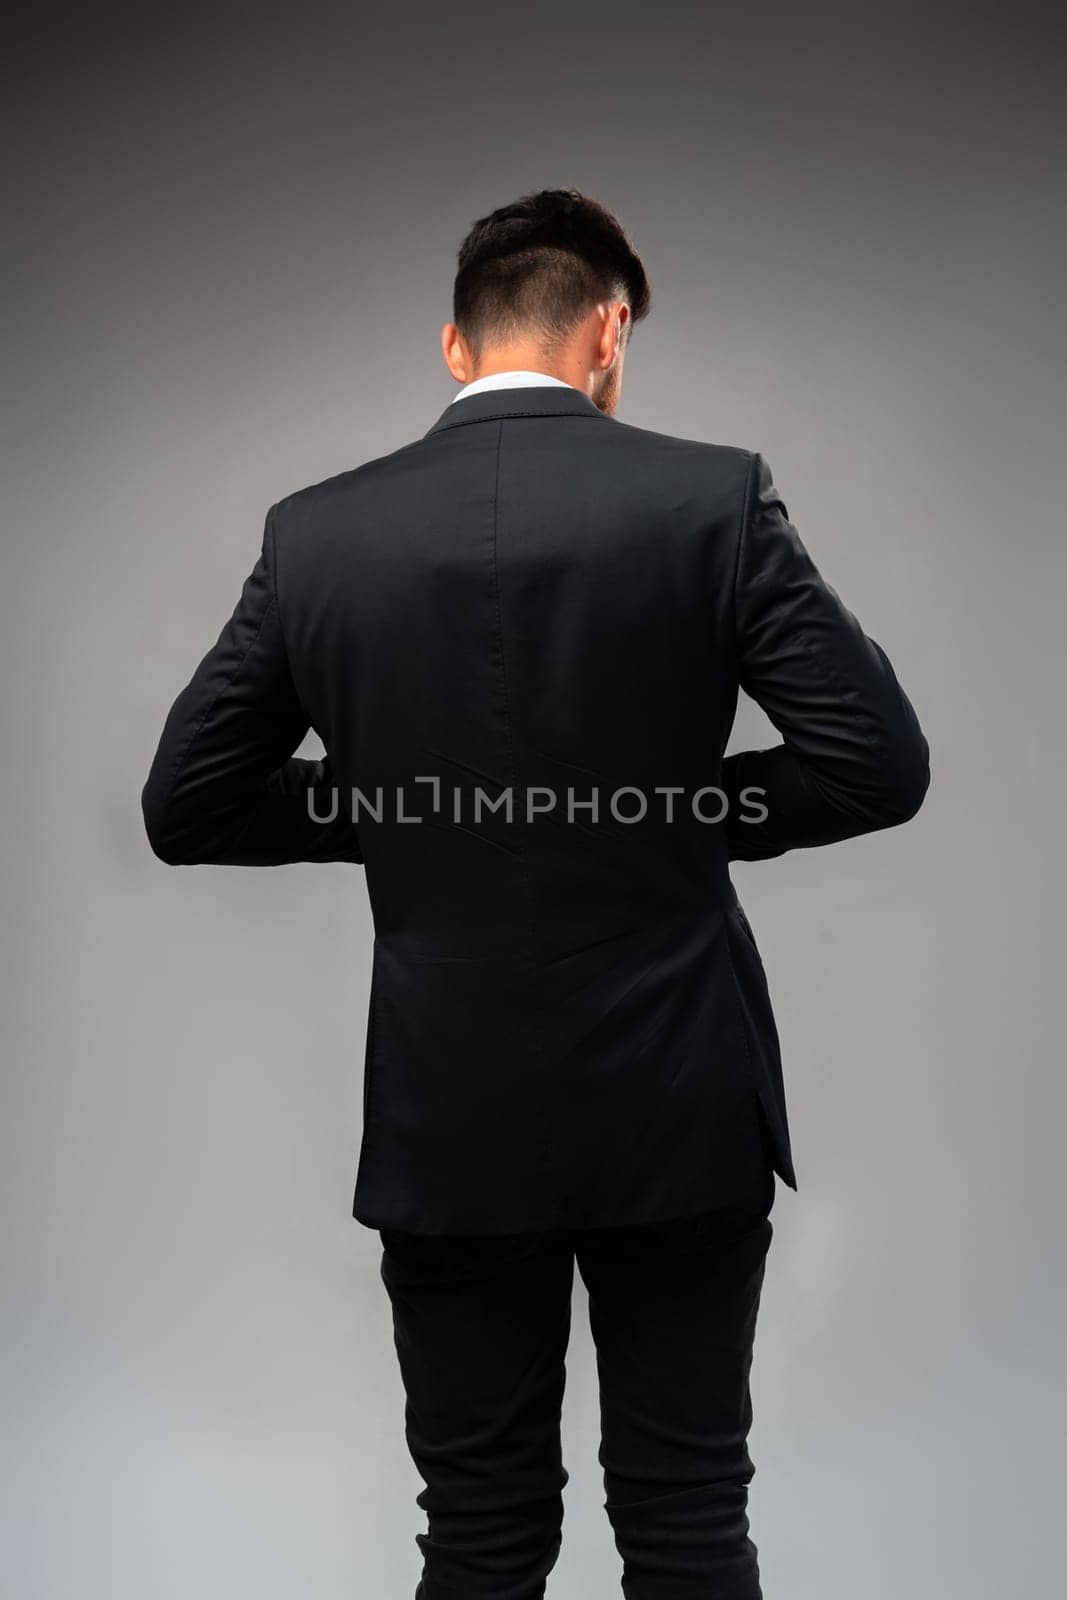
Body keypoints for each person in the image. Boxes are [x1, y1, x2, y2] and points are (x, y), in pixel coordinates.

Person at [142, 188, 929, 1599]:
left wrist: (419, 817)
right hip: (679, 1103)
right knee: (688, 1515)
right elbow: (876, 765)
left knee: (482, 1528)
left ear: (456, 345)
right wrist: (673, 815)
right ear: (610, 328)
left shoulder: (318, 535)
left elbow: (186, 806)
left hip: (451, 1121)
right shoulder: (709, 498)